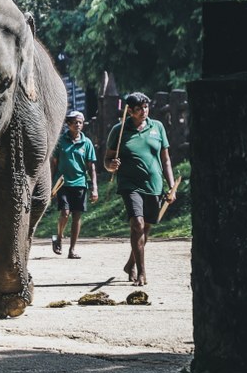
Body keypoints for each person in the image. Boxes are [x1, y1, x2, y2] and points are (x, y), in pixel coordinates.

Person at [104, 92, 175, 287]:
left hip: (154, 184)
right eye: (139, 109)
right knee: (137, 223)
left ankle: (130, 264)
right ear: (130, 111)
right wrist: (111, 165)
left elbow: (165, 159)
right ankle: (141, 272)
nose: (144, 111)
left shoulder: (157, 127)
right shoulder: (119, 131)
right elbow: (107, 160)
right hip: (129, 184)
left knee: (146, 227)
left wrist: (171, 186)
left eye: (146, 107)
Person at [50, 110, 99, 258]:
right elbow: (53, 164)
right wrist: (51, 185)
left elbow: (91, 167)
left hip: (80, 183)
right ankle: (59, 237)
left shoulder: (87, 143)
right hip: (62, 183)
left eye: (80, 122)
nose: (78, 125)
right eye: (75, 122)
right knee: (65, 213)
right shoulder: (60, 141)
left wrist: (94, 187)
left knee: (77, 216)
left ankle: (72, 249)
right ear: (68, 124)